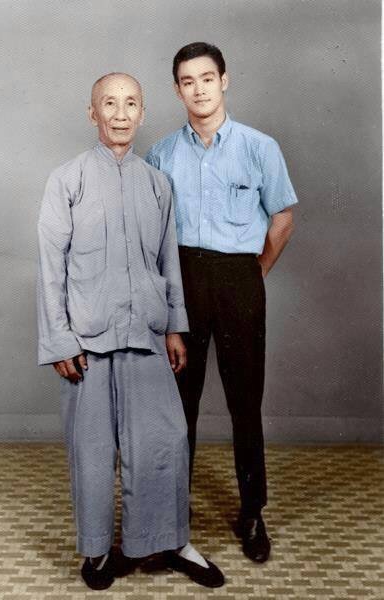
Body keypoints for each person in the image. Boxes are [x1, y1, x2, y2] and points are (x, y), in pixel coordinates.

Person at [37, 72, 224, 589]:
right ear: (92, 113)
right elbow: (51, 266)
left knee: (163, 441)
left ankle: (167, 540)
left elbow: (168, 264)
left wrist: (174, 330)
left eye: (131, 104)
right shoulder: (67, 180)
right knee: (93, 451)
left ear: (143, 113)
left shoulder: (156, 184)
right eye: (109, 104)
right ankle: (97, 552)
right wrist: (59, 339)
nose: (121, 114)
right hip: (87, 342)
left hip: (146, 334)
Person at [146, 42, 298, 564]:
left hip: (238, 279)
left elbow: (281, 220)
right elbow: (152, 233)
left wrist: (251, 274)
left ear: (225, 80)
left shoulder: (259, 147)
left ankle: (252, 511)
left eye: (207, 78)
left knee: (244, 404)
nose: (199, 89)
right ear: (177, 89)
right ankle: (171, 515)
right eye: (187, 81)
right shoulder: (163, 153)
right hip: (183, 279)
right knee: (176, 407)